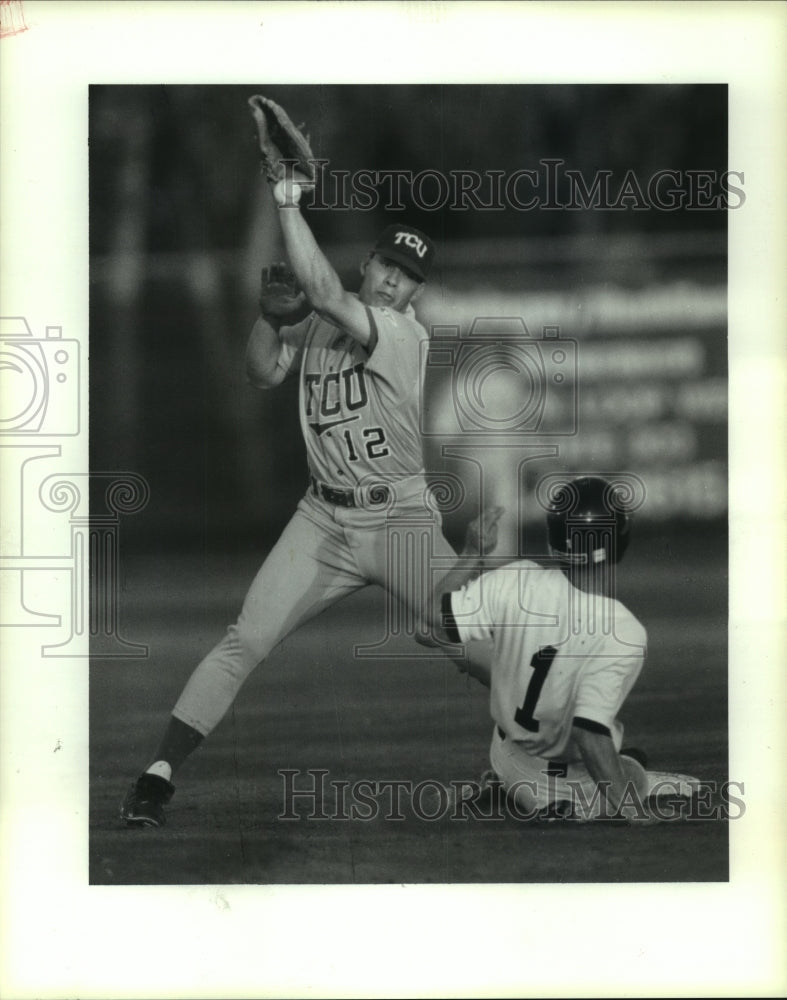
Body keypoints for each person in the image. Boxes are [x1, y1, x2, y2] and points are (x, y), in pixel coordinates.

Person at [120, 173, 459, 827]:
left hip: (399, 519)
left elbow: (327, 293)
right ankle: (156, 776)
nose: (392, 280)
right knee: (244, 638)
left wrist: (285, 199)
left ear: (416, 292)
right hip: (323, 518)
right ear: (369, 263)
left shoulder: (399, 333)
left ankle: (582, 748)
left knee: (475, 641)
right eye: (387, 264)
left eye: (406, 276)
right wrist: (269, 320)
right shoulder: (323, 329)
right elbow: (259, 371)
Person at [423, 475, 700, 822]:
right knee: (631, 771)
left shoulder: (517, 578)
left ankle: (505, 787)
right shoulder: (622, 629)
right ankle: (543, 800)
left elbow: (428, 623)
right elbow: (589, 735)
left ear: (555, 539)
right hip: (561, 786)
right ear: (617, 542)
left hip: (505, 753)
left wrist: (471, 553)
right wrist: (636, 813)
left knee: (623, 756)